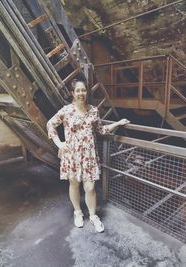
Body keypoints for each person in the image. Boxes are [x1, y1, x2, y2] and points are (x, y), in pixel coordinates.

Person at [46, 79, 130, 232]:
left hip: (89, 156)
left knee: (90, 187)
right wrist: (59, 143)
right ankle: (78, 212)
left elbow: (100, 129)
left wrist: (117, 123)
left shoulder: (93, 110)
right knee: (74, 185)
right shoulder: (66, 111)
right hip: (71, 156)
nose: (81, 93)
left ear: (86, 92)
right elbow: (50, 124)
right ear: (73, 93)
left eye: (83, 90)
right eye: (77, 91)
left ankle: (93, 216)